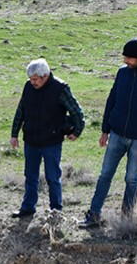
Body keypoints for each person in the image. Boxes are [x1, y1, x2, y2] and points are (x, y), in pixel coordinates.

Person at [79, 38, 137, 228]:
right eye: (125, 58)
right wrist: (105, 130)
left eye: (130, 59)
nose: (126, 62)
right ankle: (94, 215)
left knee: (131, 179)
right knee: (105, 174)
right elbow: (111, 101)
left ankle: (126, 220)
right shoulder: (123, 73)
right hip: (116, 135)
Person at [9, 58, 84, 219]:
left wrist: (77, 132)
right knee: (30, 176)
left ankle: (56, 210)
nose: (32, 82)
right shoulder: (28, 87)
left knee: (52, 178)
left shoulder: (61, 89)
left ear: (44, 76)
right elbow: (20, 110)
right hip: (31, 140)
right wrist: (14, 134)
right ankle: (28, 208)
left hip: (51, 142)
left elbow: (77, 112)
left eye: (35, 79)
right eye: (30, 79)